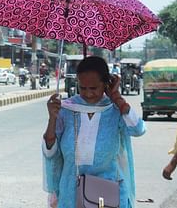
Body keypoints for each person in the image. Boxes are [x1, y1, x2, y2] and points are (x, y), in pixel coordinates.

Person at [42, 56, 145, 208]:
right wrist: (52, 118)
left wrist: (117, 98)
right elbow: (50, 151)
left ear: (105, 84)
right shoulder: (66, 109)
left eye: (94, 88)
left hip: (108, 193)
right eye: (83, 88)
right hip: (70, 194)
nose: (88, 94)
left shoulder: (115, 109)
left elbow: (138, 129)